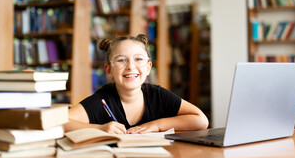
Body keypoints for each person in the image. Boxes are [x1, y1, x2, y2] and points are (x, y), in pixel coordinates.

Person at [64, 34, 208, 134]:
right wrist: (99, 129)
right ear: (109, 70)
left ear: (148, 67)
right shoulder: (102, 100)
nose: (131, 67)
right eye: (121, 60)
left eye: (138, 59)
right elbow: (59, 122)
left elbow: (201, 121)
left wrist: (157, 125)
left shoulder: (157, 95)